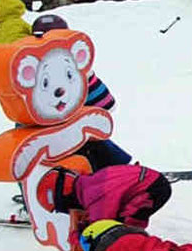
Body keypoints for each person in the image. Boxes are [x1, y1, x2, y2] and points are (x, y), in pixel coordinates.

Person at [31, 13, 133, 168]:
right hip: (51, 139)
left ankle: (121, 172)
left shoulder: (73, 70)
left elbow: (106, 105)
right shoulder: (33, 73)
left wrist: (86, 77)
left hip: (69, 134)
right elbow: (107, 106)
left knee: (90, 136)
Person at [41, 163, 172, 244]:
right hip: (150, 181)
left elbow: (101, 228)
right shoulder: (89, 183)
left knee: (124, 227)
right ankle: (134, 248)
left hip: (152, 189)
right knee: (122, 222)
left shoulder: (93, 198)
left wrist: (79, 236)